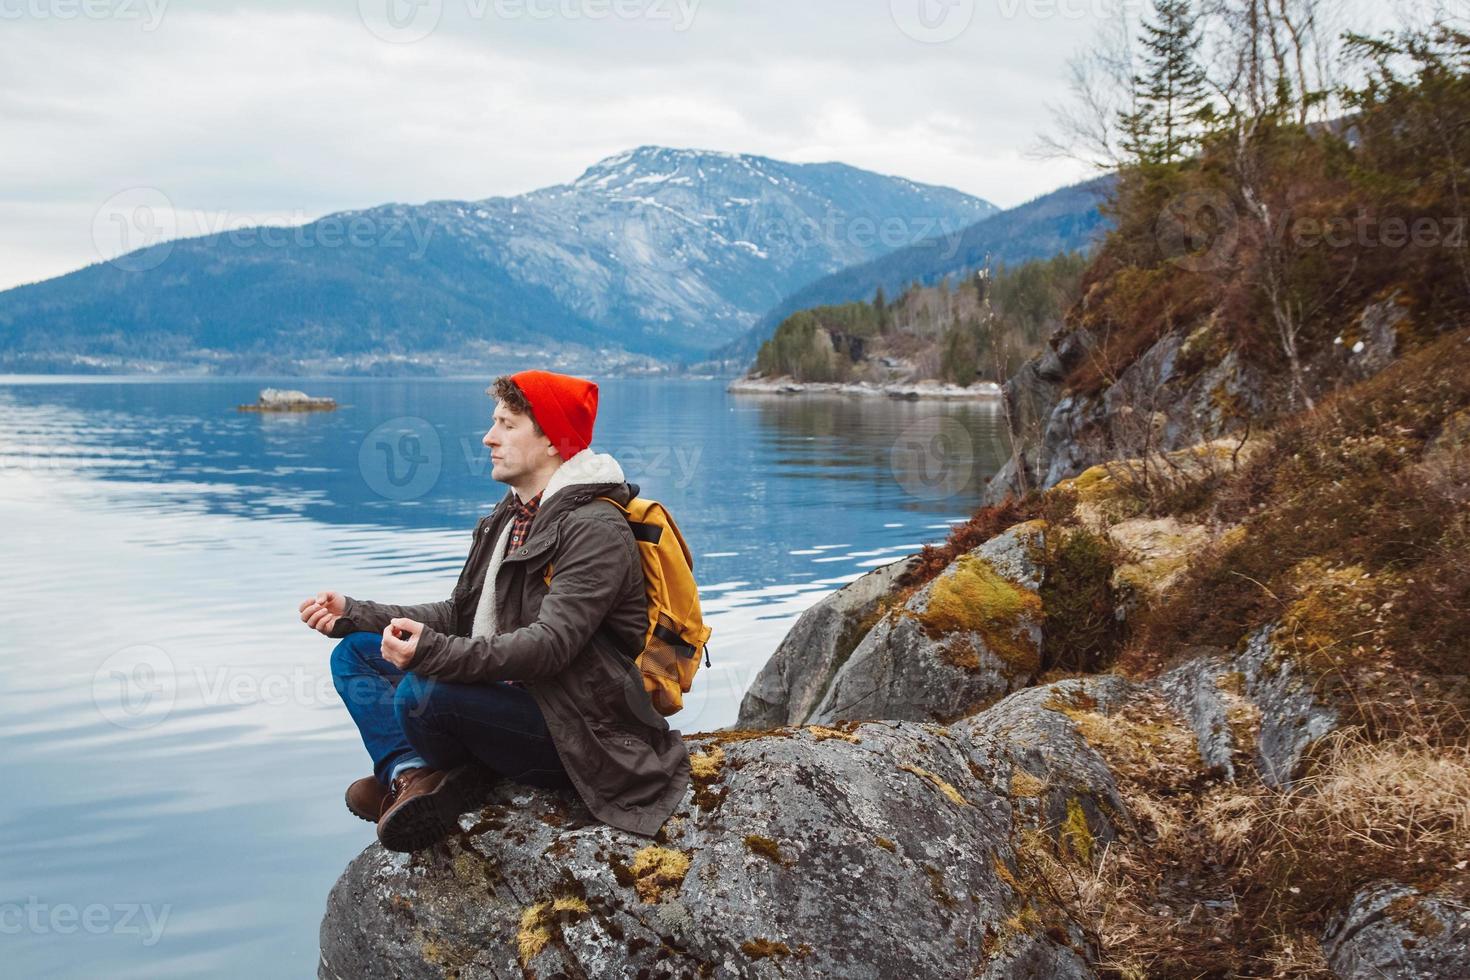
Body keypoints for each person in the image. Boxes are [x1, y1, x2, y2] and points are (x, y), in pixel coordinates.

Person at [298, 370, 691, 851]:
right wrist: (357, 613)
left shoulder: (595, 529)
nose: (488, 438)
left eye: (507, 425)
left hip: (580, 730)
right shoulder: (508, 518)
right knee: (356, 654)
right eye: (494, 423)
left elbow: (550, 646)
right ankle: (411, 776)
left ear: (551, 441)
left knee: (424, 694)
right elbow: (459, 613)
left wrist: (432, 654)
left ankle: (445, 776)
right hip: (516, 698)